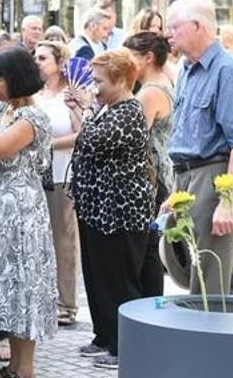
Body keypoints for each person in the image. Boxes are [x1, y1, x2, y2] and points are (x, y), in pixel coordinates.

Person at [0, 48, 57, 378]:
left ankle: (25, 369)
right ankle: (14, 366)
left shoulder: (32, 117)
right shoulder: (8, 111)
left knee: (24, 285)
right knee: (9, 289)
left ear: (14, 78)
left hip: (20, 213)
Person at [68, 49, 155, 370]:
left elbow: (93, 140)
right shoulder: (108, 108)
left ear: (120, 80)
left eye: (98, 81)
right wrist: (83, 109)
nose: (93, 86)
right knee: (97, 276)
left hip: (119, 212)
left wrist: (85, 109)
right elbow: (86, 137)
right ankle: (104, 334)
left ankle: (123, 346)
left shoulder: (129, 110)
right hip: (97, 208)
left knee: (118, 280)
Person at [166, 0, 233, 298]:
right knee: (221, 275)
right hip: (190, 177)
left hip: (215, 177)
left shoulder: (227, 71)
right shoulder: (187, 69)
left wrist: (228, 202)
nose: (169, 34)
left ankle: (206, 342)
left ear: (197, 26)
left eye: (174, 26)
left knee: (207, 280)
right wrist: (176, 192)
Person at [33, 40, 81, 326]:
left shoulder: (71, 94)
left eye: (42, 58)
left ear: (59, 62)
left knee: (63, 240)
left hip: (63, 173)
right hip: (36, 174)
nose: (37, 62)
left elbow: (82, 133)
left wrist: (48, 145)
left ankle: (66, 303)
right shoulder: (34, 95)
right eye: (35, 57)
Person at [123, 32, 173, 298]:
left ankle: (149, 307)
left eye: (130, 57)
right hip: (159, 172)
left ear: (148, 58)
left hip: (153, 177)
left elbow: (133, 136)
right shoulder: (160, 83)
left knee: (147, 250)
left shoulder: (151, 92)